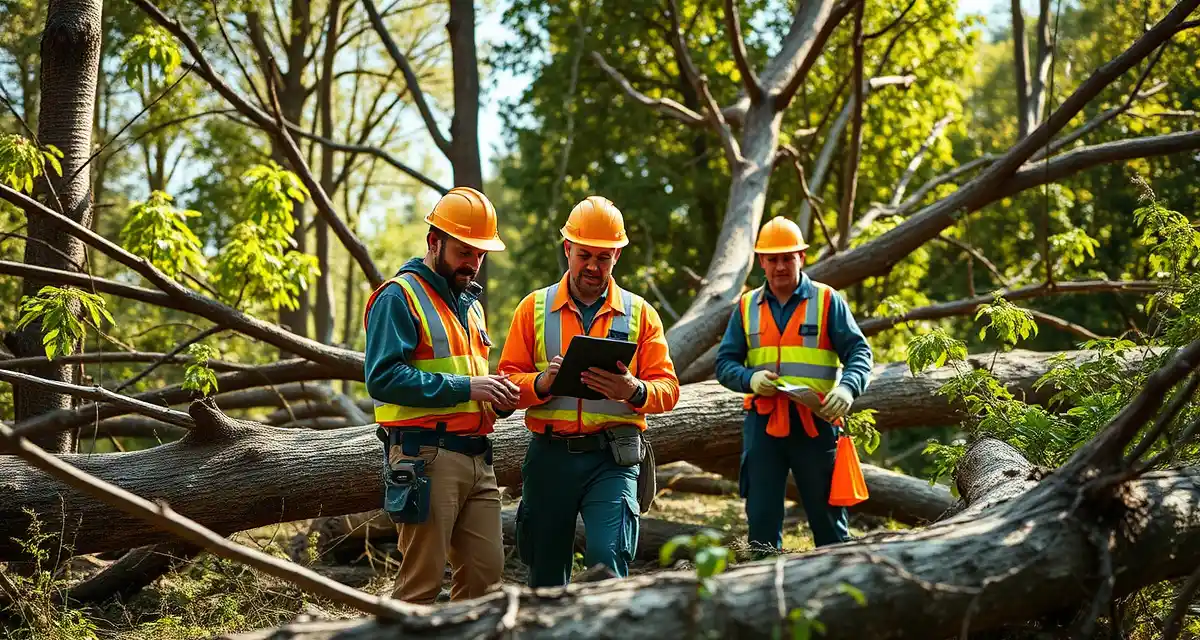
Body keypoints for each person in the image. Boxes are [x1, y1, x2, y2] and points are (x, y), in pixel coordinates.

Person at [498, 195, 680, 587]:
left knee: (607, 562)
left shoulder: (641, 314)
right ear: (567, 249)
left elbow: (668, 389)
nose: (593, 267)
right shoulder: (533, 309)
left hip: (613, 458)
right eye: (584, 255)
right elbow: (507, 382)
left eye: (603, 257)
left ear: (617, 256)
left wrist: (633, 390)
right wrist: (541, 383)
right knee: (546, 573)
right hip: (549, 458)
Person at [363, 186, 519, 604]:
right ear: (434, 242)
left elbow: (470, 381)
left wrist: (497, 398)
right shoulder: (398, 296)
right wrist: (467, 387)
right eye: (464, 252)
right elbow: (382, 378)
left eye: (480, 254)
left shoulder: (472, 306)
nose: (473, 263)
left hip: (479, 460)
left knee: (485, 583)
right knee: (420, 586)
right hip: (425, 459)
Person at [714, 216, 873, 551]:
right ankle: (764, 575)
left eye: (787, 258)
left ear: (802, 257)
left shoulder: (827, 300)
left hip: (816, 423)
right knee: (761, 519)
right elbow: (725, 364)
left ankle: (837, 576)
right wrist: (750, 378)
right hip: (763, 425)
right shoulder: (746, 306)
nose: (780, 266)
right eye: (772, 259)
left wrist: (847, 388)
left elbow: (859, 352)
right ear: (761, 261)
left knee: (828, 520)